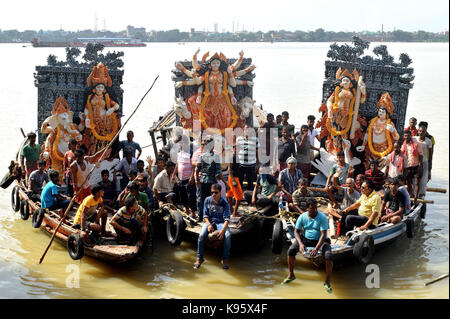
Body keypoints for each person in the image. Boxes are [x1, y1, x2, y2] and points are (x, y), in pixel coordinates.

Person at [283, 198, 333, 293]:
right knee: (291, 250)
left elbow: (323, 235)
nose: (314, 210)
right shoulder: (302, 216)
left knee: (328, 256)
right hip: (306, 239)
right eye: (311, 208)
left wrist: (316, 249)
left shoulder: (322, 217)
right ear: (307, 209)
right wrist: (301, 244)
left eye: (315, 208)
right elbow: (296, 232)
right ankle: (291, 275)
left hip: (321, 241)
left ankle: (327, 281)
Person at [194, 183, 231, 270]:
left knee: (227, 236)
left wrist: (222, 231)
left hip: (221, 223)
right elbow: (205, 215)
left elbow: (227, 219)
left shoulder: (224, 203)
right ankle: (199, 258)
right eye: (212, 192)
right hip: (210, 222)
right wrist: (209, 225)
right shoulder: (207, 200)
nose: (213, 194)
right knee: (202, 235)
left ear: (220, 192)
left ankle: (225, 259)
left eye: (215, 192)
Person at [195, 137, 228, 221]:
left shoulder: (201, 156)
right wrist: (226, 183)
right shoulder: (216, 157)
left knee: (201, 200)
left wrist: (197, 180)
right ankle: (211, 217)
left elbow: (197, 169)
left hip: (202, 181)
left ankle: (201, 216)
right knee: (213, 200)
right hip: (212, 182)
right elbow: (219, 174)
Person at [401, 129, 423, 202]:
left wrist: (420, 165)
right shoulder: (404, 145)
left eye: (407, 136)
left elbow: (421, 155)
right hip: (408, 166)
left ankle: (416, 198)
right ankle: (411, 195)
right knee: (408, 181)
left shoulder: (417, 144)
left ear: (410, 136)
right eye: (405, 136)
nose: (406, 137)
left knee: (416, 182)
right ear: (403, 137)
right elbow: (401, 154)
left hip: (416, 165)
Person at [236, 125, 259, 190]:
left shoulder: (256, 140)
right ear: (243, 130)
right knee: (240, 182)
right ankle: (240, 198)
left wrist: (258, 164)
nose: (247, 131)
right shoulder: (239, 139)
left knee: (250, 183)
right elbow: (236, 151)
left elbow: (258, 152)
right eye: (246, 129)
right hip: (240, 165)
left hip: (251, 165)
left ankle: (250, 197)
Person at [414, 124, 433, 197]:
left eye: (423, 131)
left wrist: (430, 169)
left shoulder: (428, 141)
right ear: (418, 132)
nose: (421, 132)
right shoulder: (414, 139)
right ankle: (413, 194)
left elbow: (430, 155)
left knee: (423, 178)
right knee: (414, 178)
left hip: (424, 162)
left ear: (426, 132)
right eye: (420, 131)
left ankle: (421, 194)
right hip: (415, 161)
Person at [227, 146, 244, 217]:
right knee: (239, 196)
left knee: (230, 195)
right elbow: (229, 169)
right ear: (234, 149)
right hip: (233, 178)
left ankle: (231, 211)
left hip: (232, 178)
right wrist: (233, 180)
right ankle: (234, 213)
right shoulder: (232, 157)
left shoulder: (237, 157)